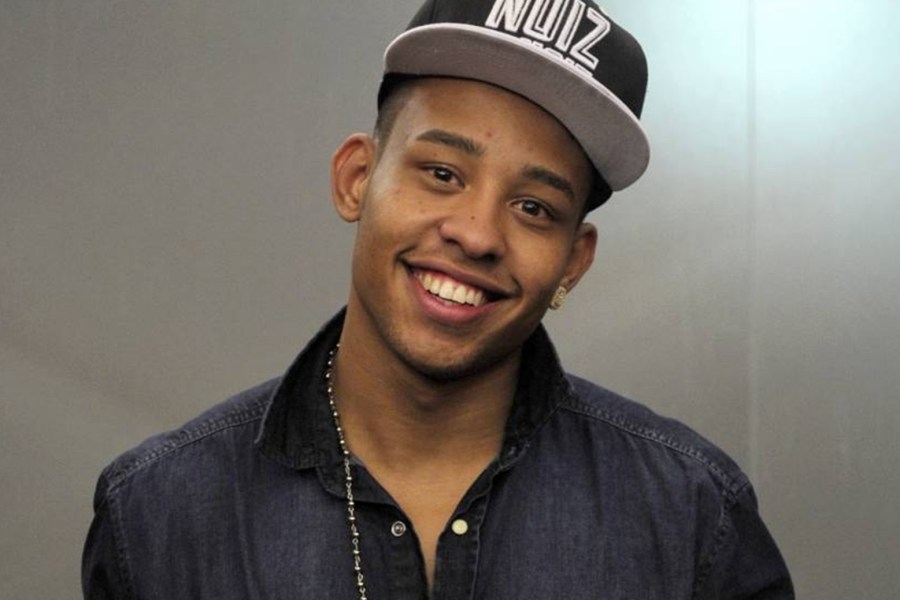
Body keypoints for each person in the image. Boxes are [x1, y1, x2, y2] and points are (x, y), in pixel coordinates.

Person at [82, 0, 794, 598]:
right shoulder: (159, 514)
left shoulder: (692, 514)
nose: (477, 235)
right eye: (443, 173)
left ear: (574, 262)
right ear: (357, 178)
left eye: (534, 208)